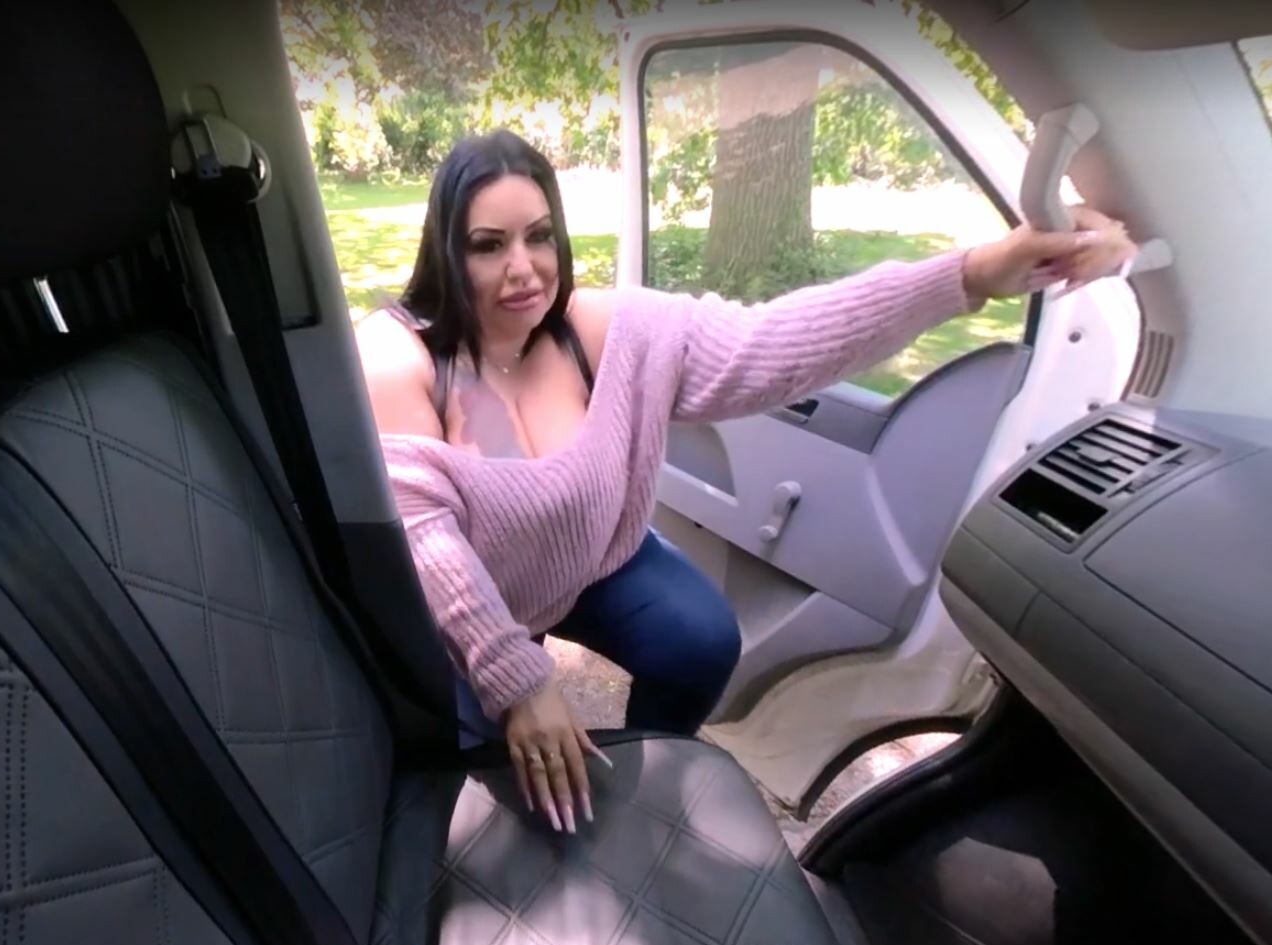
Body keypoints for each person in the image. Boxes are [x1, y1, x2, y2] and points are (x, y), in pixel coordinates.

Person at [352, 129, 1135, 834]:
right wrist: (520, 680)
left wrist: (973, 275)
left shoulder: (603, 330)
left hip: (587, 559)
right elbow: (426, 544)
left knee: (701, 640)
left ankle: (645, 776)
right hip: (471, 599)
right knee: (480, 777)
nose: (523, 269)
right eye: (488, 246)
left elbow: (776, 342)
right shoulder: (399, 358)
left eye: (539, 236)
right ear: (446, 250)